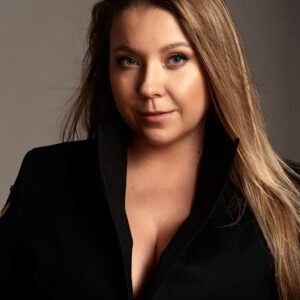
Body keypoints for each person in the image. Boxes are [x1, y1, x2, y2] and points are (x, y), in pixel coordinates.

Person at [1, 0, 300, 299]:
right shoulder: (44, 180)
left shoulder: (288, 203)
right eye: (128, 61)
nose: (148, 87)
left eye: (176, 58)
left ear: (216, 64)